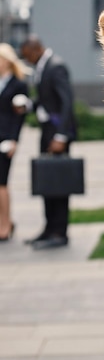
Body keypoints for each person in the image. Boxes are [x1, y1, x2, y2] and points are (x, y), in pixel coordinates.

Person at [19, 35, 77, 249]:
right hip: (47, 132)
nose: (27, 60)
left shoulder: (56, 66)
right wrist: (28, 106)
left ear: (35, 49)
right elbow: (46, 100)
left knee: (59, 182)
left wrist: (61, 136)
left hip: (56, 134)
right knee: (46, 179)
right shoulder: (43, 67)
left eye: (27, 56)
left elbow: (66, 103)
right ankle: (48, 228)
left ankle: (59, 232)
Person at [0, 43, 30, 241]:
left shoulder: (19, 84)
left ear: (7, 61)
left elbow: (19, 117)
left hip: (5, 140)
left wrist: (14, 140)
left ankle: (5, 225)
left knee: (1, 183)